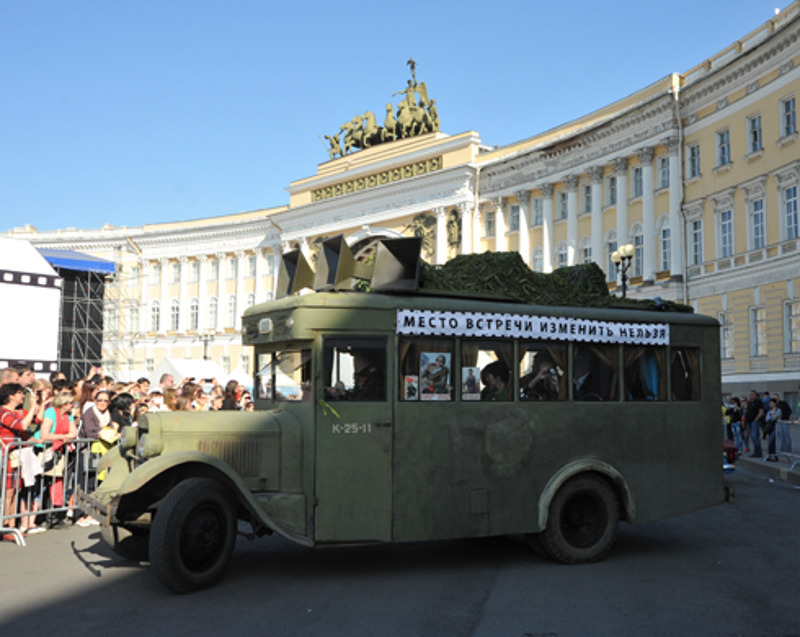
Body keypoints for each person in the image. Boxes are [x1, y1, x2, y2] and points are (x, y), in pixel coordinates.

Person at [0, 383, 40, 539]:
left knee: (16, 490)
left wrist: (37, 402)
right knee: (8, 492)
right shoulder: (3, 412)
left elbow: (38, 419)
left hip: (18, 455)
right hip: (7, 454)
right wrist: (31, 408)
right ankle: (4, 526)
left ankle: (11, 525)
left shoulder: (19, 411)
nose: (23, 396)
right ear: (11, 396)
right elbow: (23, 426)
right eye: (20, 393)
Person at [745, 389, 764, 458]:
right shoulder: (749, 402)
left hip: (754, 422)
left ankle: (758, 452)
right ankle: (756, 451)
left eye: (752, 394)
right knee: (753, 437)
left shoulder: (758, 402)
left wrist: (755, 420)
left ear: (755, 395)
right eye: (750, 395)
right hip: (749, 421)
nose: (751, 396)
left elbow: (761, 412)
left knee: (754, 436)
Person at [764, 398, 781, 462]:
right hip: (770, 427)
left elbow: (776, 417)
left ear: (775, 403)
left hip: (776, 427)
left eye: (772, 403)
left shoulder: (779, 410)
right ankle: (770, 455)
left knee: (772, 441)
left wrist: (773, 414)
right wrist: (772, 414)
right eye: (770, 403)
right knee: (770, 442)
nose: (770, 405)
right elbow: (767, 419)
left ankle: (774, 455)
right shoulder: (769, 411)